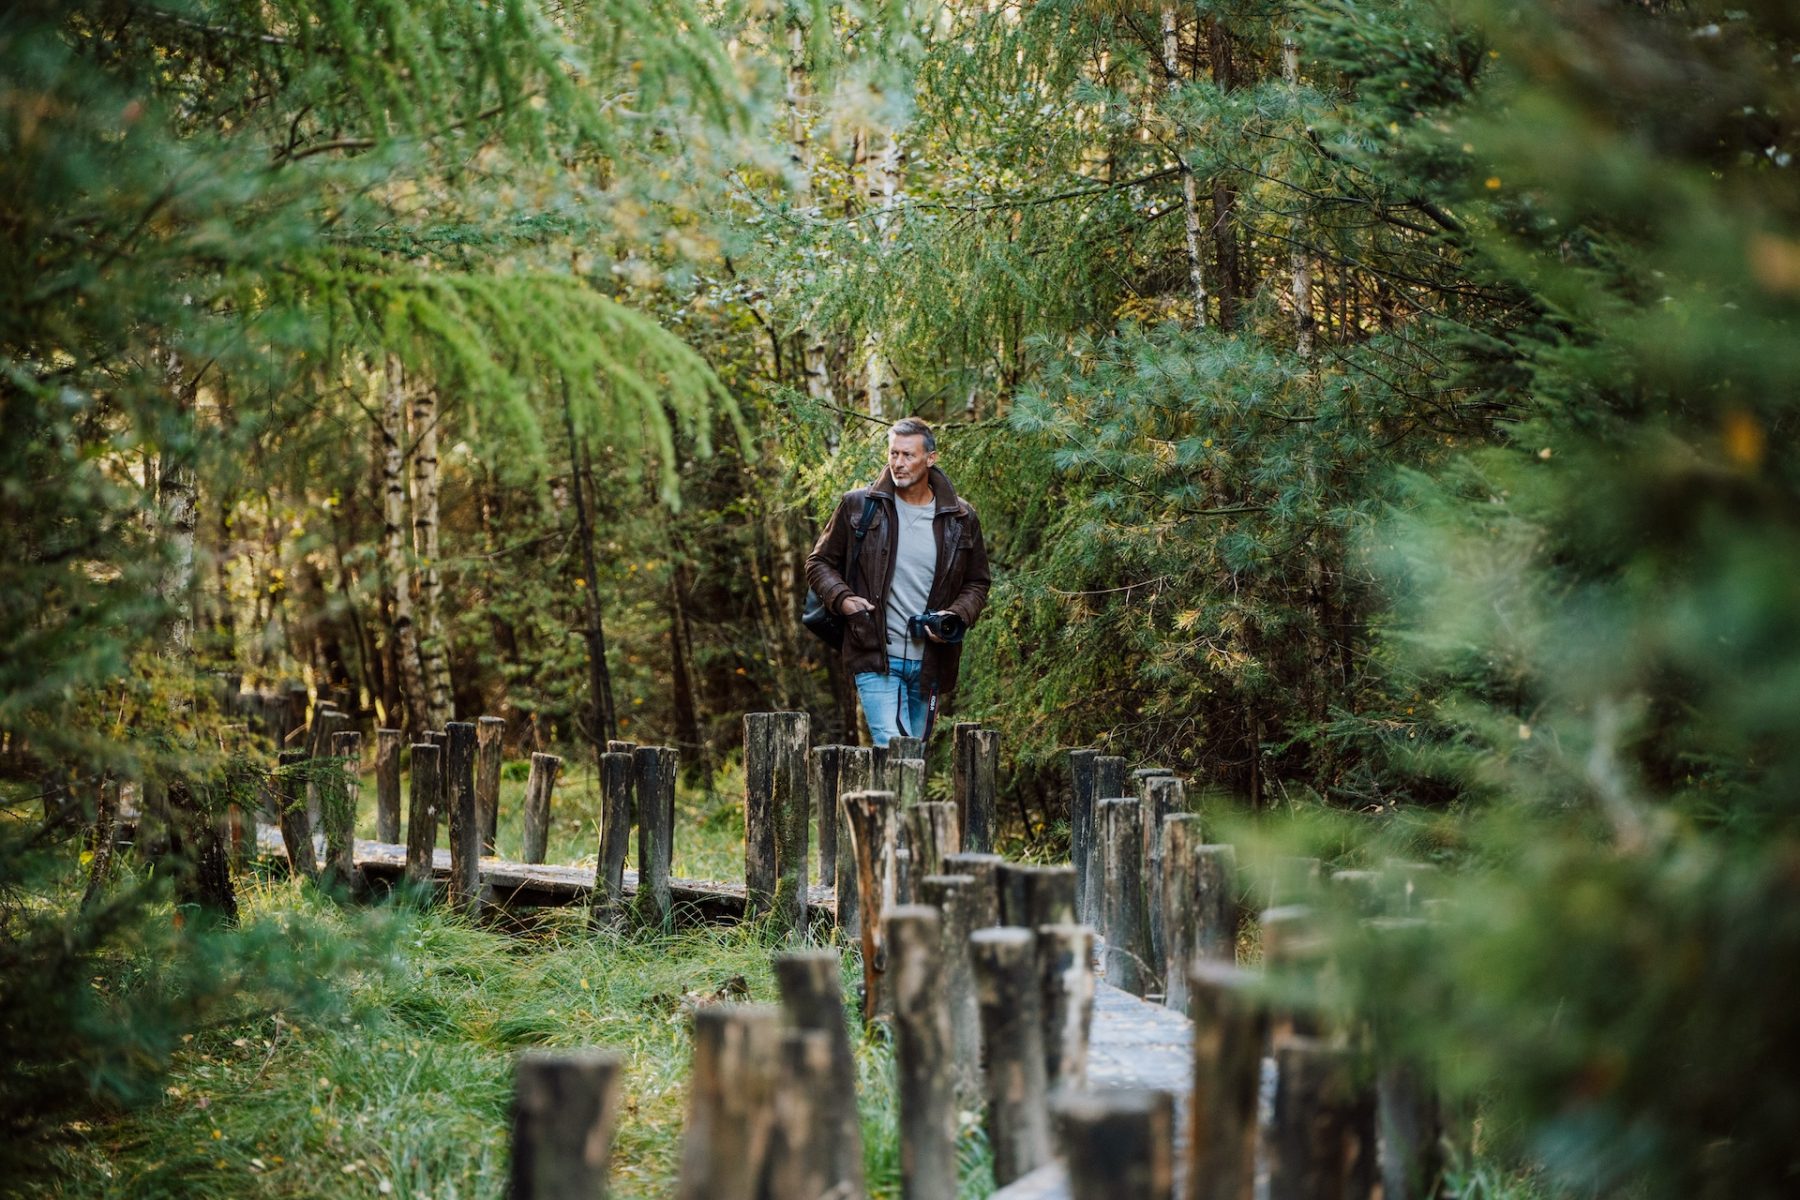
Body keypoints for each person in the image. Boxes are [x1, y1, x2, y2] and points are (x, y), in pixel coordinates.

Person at [805, 417, 992, 747]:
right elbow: (819, 563)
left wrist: (956, 615)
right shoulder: (859, 505)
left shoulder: (961, 518)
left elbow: (977, 582)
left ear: (930, 459)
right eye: (893, 454)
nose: (898, 463)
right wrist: (844, 599)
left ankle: (887, 801)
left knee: (914, 758)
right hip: (875, 653)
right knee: (894, 750)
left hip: (931, 662)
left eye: (908, 455)